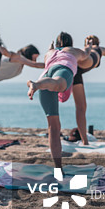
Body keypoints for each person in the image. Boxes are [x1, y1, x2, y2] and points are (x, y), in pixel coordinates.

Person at [26, 33, 89, 170]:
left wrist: (50, 48)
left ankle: (58, 168)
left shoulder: (49, 53)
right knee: (59, 84)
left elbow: (48, 56)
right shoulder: (73, 51)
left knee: (53, 127)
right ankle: (35, 84)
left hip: (45, 76)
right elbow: (86, 55)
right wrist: (89, 48)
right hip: (62, 69)